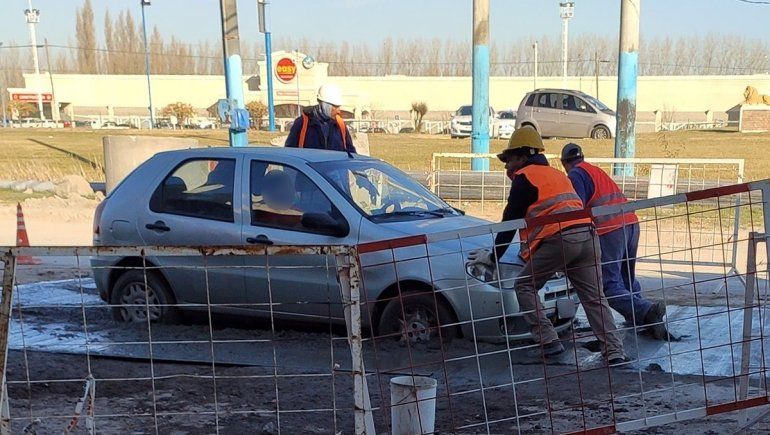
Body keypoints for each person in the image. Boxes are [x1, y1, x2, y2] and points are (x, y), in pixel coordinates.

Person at [474, 126, 625, 364]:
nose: (506, 166)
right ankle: (615, 351)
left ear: (523, 157)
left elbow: (510, 222)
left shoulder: (525, 178)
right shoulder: (557, 174)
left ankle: (549, 342)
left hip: (562, 239)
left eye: (509, 159)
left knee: (524, 285)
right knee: (594, 297)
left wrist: (492, 257)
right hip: (588, 236)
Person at [560, 143, 670, 340]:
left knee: (609, 285)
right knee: (627, 278)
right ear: (582, 157)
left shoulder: (576, 175)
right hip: (630, 224)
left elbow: (578, 209)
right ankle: (640, 318)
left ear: (564, 163)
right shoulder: (594, 170)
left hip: (610, 229)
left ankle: (646, 311)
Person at [285, 83, 356, 154]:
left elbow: (351, 153)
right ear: (324, 104)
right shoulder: (302, 123)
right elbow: (290, 154)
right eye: (335, 106)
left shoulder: (340, 125)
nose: (338, 111)